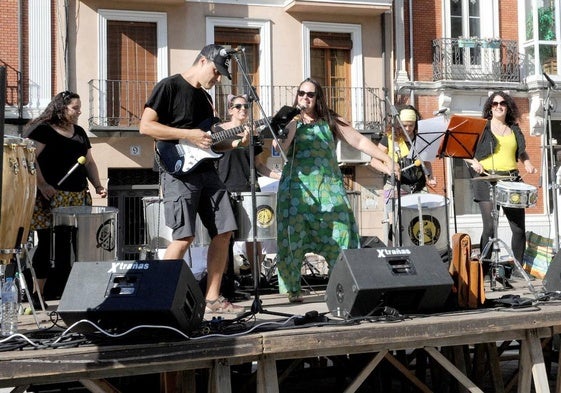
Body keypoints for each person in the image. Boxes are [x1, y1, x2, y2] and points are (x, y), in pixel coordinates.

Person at [139, 44, 246, 314]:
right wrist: (188, 135)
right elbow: (146, 126)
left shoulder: (206, 99)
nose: (217, 78)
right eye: (215, 71)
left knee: (224, 231)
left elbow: (210, 143)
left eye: (221, 74)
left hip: (207, 171)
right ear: (202, 61)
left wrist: (235, 143)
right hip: (177, 170)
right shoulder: (170, 86)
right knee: (183, 236)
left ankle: (212, 297)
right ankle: (155, 297)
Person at [273, 78, 397, 303]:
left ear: (318, 97)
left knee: (342, 232)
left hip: (328, 188)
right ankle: (293, 289)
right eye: (301, 93)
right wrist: (290, 121)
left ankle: (343, 283)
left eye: (310, 94)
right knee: (293, 238)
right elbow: (281, 148)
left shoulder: (330, 120)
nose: (305, 98)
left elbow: (358, 140)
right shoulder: (292, 120)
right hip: (297, 191)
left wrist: (385, 157)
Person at [24, 90, 107, 309]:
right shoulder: (42, 130)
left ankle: (68, 295)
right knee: (44, 244)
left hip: (77, 196)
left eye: (79, 108)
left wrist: (98, 185)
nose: (79, 112)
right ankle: (37, 296)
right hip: (49, 196)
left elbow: (88, 162)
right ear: (61, 108)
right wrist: (43, 185)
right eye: (75, 108)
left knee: (68, 246)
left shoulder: (79, 131)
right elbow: (30, 158)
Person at [464, 91, 537, 278]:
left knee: (518, 228)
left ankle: (518, 269)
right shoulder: (482, 127)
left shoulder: (514, 128)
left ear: (508, 106)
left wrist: (527, 162)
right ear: (490, 107)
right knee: (489, 227)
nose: (499, 106)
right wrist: (474, 162)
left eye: (502, 103)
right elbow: (465, 149)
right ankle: (485, 270)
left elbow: (521, 151)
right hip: (487, 179)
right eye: (495, 103)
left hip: (511, 180)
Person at [216, 94, 281, 285]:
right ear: (230, 110)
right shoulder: (219, 131)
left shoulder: (254, 134)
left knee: (254, 236)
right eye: (238, 106)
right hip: (225, 188)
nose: (243, 109)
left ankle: (255, 279)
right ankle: (226, 280)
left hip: (249, 188)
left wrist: (281, 176)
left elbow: (259, 165)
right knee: (225, 237)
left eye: (246, 106)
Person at [378, 105, 437, 245]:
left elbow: (426, 161)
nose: (408, 128)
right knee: (397, 225)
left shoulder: (421, 139)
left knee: (421, 223)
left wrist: (430, 177)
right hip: (396, 186)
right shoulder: (389, 138)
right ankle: (394, 252)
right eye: (405, 125)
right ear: (398, 124)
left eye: (411, 125)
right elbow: (373, 160)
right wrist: (388, 169)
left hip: (418, 186)